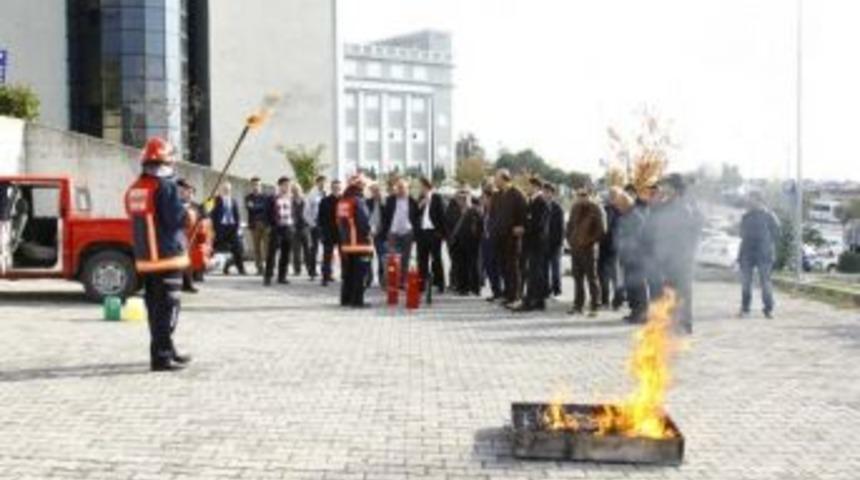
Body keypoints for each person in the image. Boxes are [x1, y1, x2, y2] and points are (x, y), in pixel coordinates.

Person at [124, 137, 191, 372]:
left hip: (146, 259)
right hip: (167, 258)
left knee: (155, 309)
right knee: (169, 309)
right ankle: (161, 357)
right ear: (167, 161)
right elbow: (176, 219)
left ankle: (167, 349)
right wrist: (194, 211)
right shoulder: (166, 187)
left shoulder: (135, 188)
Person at [653, 174, 704, 333]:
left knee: (682, 292)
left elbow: (693, 230)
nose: (663, 188)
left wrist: (686, 253)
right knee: (669, 290)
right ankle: (673, 323)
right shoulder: (667, 204)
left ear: (675, 188)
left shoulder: (686, 206)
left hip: (682, 257)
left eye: (666, 185)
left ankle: (684, 324)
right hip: (668, 256)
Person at [738, 191, 781, 319]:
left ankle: (768, 309)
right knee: (746, 282)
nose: (749, 202)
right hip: (747, 253)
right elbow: (741, 234)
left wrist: (768, 244)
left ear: (759, 200)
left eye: (752, 199)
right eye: (749, 199)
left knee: (765, 282)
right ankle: (745, 309)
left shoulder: (769, 216)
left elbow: (777, 233)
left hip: (764, 254)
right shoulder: (746, 216)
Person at [566, 185, 606, 316]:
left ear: (590, 195)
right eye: (579, 195)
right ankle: (578, 305)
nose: (581, 197)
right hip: (575, 249)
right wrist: (570, 239)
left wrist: (589, 241)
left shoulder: (596, 208)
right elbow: (569, 225)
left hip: (589, 249)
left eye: (584, 195)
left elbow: (601, 231)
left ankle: (595, 306)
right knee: (577, 278)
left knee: (591, 278)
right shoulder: (574, 208)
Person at [514, 177, 551, 311]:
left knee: (534, 273)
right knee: (534, 273)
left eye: (529, 186)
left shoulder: (541, 202)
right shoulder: (531, 201)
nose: (527, 188)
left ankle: (531, 301)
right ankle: (538, 301)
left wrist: (524, 229)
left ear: (536, 187)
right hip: (531, 243)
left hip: (537, 243)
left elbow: (538, 224)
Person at [492, 169, 528, 307]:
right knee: (503, 267)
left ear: (504, 178)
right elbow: (493, 215)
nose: (495, 181)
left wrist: (521, 226)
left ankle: (515, 296)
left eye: (496, 178)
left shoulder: (517, 194)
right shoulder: (497, 195)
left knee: (513, 268)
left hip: (512, 238)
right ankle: (507, 294)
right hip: (499, 237)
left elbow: (524, 214)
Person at [337, 175, 374, 307]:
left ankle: (346, 299)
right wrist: (370, 233)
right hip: (360, 243)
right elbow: (364, 222)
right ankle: (357, 301)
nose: (365, 189)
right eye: (364, 186)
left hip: (347, 244)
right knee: (360, 273)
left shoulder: (343, 201)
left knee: (348, 273)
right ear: (360, 187)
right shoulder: (358, 201)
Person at [614, 186, 649, 324]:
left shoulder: (636, 216)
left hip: (637, 258)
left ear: (626, 204)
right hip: (627, 257)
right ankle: (634, 311)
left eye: (619, 206)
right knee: (630, 286)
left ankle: (642, 314)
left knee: (638, 286)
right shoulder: (625, 216)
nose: (618, 209)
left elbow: (638, 237)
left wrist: (630, 250)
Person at [381, 178, 418, 288]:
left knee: (406, 258)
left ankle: (403, 281)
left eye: (403, 188)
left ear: (408, 189)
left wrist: (414, 232)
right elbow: (385, 217)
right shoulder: (390, 200)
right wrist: (386, 231)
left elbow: (416, 217)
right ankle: (391, 281)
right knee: (392, 258)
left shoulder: (412, 201)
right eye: (399, 187)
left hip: (407, 233)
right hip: (393, 233)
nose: (401, 190)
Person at [416, 177, 447, 293]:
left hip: (434, 233)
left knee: (436, 259)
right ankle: (421, 284)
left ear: (426, 186)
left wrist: (441, 234)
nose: (420, 189)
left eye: (421, 186)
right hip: (422, 233)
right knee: (421, 259)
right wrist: (420, 206)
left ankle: (440, 284)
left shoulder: (437, 197)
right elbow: (415, 214)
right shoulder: (420, 199)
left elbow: (442, 216)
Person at [450, 193, 483, 296]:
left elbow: (477, 229)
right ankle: (463, 288)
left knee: (473, 266)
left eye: (463, 200)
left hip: (471, 243)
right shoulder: (459, 211)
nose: (461, 202)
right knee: (461, 266)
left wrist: (475, 239)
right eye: (460, 200)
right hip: (459, 243)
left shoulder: (474, 211)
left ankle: (475, 288)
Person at [264, 177, 295, 286]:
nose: (287, 187)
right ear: (280, 186)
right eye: (285, 185)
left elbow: (295, 212)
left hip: (288, 228)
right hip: (276, 228)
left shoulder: (291, 198)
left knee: (286, 253)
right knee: (272, 253)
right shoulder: (272, 198)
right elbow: (267, 213)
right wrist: (269, 226)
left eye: (288, 185)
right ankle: (268, 276)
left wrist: (293, 225)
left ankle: (282, 277)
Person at [211, 182, 246, 275]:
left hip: (232, 228)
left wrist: (237, 227)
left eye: (228, 189)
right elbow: (210, 213)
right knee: (211, 248)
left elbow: (237, 215)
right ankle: (200, 269)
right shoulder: (216, 201)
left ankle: (240, 269)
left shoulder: (233, 201)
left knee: (239, 249)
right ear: (221, 190)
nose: (227, 191)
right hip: (220, 229)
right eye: (225, 189)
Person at [598, 190, 624, 309]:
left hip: (612, 247)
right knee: (607, 275)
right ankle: (609, 301)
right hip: (608, 246)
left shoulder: (614, 210)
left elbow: (606, 227)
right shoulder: (618, 210)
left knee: (612, 276)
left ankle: (614, 301)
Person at [178, 179, 203, 293]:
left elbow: (204, 217)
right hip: (179, 235)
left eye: (189, 191)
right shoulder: (176, 204)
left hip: (192, 236)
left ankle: (188, 284)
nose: (187, 193)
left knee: (189, 261)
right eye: (185, 190)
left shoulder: (197, 206)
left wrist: (203, 215)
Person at [480, 184, 503, 301]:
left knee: (496, 268)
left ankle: (499, 291)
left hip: (494, 242)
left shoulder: (496, 211)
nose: (483, 201)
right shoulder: (485, 211)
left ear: (490, 199)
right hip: (485, 242)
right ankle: (495, 291)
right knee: (488, 268)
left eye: (484, 198)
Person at [317, 179, 342, 286]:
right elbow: (320, 218)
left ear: (340, 188)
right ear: (331, 188)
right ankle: (325, 277)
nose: (336, 189)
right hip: (328, 232)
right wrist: (321, 232)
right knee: (327, 256)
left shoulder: (344, 200)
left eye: (338, 187)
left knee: (343, 256)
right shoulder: (325, 201)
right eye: (334, 187)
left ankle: (345, 276)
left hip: (341, 232)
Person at [303, 175, 327, 280]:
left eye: (324, 182)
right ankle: (312, 272)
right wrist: (312, 224)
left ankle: (326, 272)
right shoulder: (312, 195)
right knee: (314, 248)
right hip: (316, 224)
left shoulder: (326, 194)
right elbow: (306, 212)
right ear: (317, 183)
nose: (323, 184)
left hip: (326, 225)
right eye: (321, 182)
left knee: (327, 249)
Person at [244, 177, 270, 275]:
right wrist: (259, 207)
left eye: (258, 185)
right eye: (254, 185)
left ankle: (268, 267)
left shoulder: (266, 197)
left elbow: (263, 207)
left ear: (260, 186)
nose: (256, 187)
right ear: (251, 186)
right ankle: (259, 268)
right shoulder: (248, 197)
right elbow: (250, 208)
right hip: (254, 225)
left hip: (265, 224)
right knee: (256, 248)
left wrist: (255, 206)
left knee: (267, 247)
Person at [545, 183, 565, 297]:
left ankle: (557, 288)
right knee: (546, 268)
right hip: (545, 243)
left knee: (555, 267)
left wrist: (560, 243)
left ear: (552, 193)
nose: (545, 194)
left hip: (555, 243)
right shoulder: (543, 206)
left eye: (548, 192)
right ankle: (547, 288)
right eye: (544, 192)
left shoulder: (558, 208)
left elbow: (561, 228)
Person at [366, 182, 386, 287]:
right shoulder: (367, 202)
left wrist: (381, 230)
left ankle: (382, 279)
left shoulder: (385, 202)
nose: (376, 193)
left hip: (381, 234)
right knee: (368, 257)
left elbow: (387, 219)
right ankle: (368, 279)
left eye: (377, 190)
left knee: (381, 256)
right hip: (369, 233)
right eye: (373, 191)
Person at [290, 184, 310, 277]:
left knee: (307, 250)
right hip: (295, 228)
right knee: (296, 250)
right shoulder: (290, 201)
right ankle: (297, 270)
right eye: (294, 190)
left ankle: (310, 268)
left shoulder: (305, 200)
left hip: (305, 227)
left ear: (300, 190)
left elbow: (310, 212)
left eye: (297, 190)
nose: (295, 192)